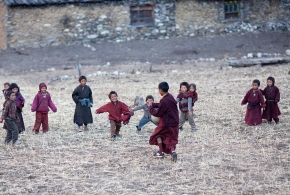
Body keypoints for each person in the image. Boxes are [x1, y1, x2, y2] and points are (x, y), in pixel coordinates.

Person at [148, 82, 179, 162]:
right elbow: (163, 105)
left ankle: (161, 152)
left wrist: (151, 108)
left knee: (158, 134)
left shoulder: (164, 100)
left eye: (158, 89)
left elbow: (158, 113)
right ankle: (173, 152)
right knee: (170, 139)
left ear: (161, 90)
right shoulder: (170, 96)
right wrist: (154, 104)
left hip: (167, 123)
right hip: (175, 122)